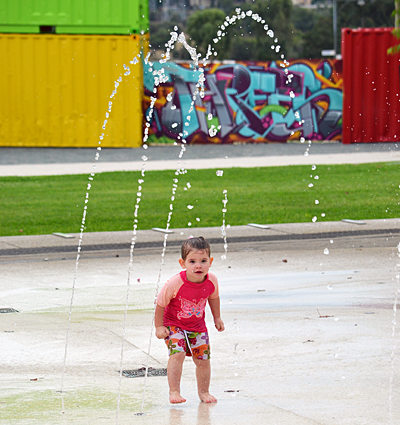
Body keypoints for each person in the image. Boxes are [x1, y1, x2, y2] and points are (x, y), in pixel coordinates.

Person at [155, 236, 225, 404]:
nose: (198, 265)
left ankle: (204, 392)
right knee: (177, 354)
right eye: (192, 261)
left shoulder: (212, 281)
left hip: (197, 325)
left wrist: (217, 317)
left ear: (211, 261)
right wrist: (159, 326)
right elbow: (160, 303)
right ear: (183, 263)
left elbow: (213, 298)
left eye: (203, 260)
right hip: (173, 324)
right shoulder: (175, 282)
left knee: (203, 359)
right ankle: (174, 391)